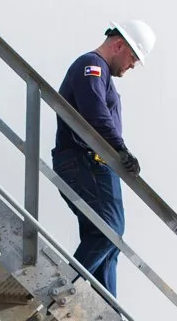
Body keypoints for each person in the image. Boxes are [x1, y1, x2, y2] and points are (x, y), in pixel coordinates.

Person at [52, 19, 155, 295]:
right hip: (84, 162)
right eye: (133, 57)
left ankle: (109, 315)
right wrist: (120, 148)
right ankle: (59, 290)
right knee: (108, 230)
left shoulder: (102, 76)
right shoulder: (91, 67)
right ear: (119, 44)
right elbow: (95, 112)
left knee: (108, 243)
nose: (132, 65)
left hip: (97, 167)